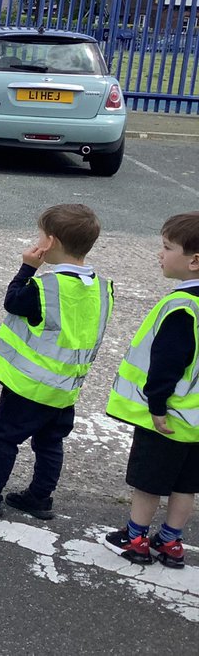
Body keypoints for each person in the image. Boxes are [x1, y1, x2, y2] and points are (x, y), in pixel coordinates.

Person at [0, 204, 114, 520]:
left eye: (40, 235)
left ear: (51, 242)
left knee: (4, 438)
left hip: (29, 386)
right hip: (65, 389)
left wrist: (27, 268)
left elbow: (13, 301)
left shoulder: (45, 287)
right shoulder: (102, 288)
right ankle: (39, 497)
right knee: (50, 443)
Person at [103, 211, 199, 568]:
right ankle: (172, 542)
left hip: (169, 418)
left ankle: (136, 536)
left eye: (166, 247)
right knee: (185, 485)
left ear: (194, 260)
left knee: (149, 482)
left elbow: (166, 364)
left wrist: (156, 405)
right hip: (196, 422)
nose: (160, 254)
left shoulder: (182, 307)